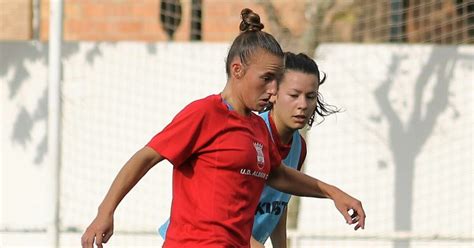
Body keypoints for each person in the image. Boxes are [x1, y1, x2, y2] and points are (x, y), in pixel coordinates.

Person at [81, 8, 365, 248]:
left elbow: (278, 176)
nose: (273, 89)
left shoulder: (257, 128)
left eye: (277, 80)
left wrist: (334, 193)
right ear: (237, 70)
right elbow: (146, 156)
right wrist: (105, 212)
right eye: (266, 78)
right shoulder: (206, 113)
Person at [157, 52, 344, 248]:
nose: (303, 105)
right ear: (274, 93)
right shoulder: (248, 134)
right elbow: (220, 213)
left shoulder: (298, 146)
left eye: (311, 96)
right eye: (294, 95)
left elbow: (278, 202)